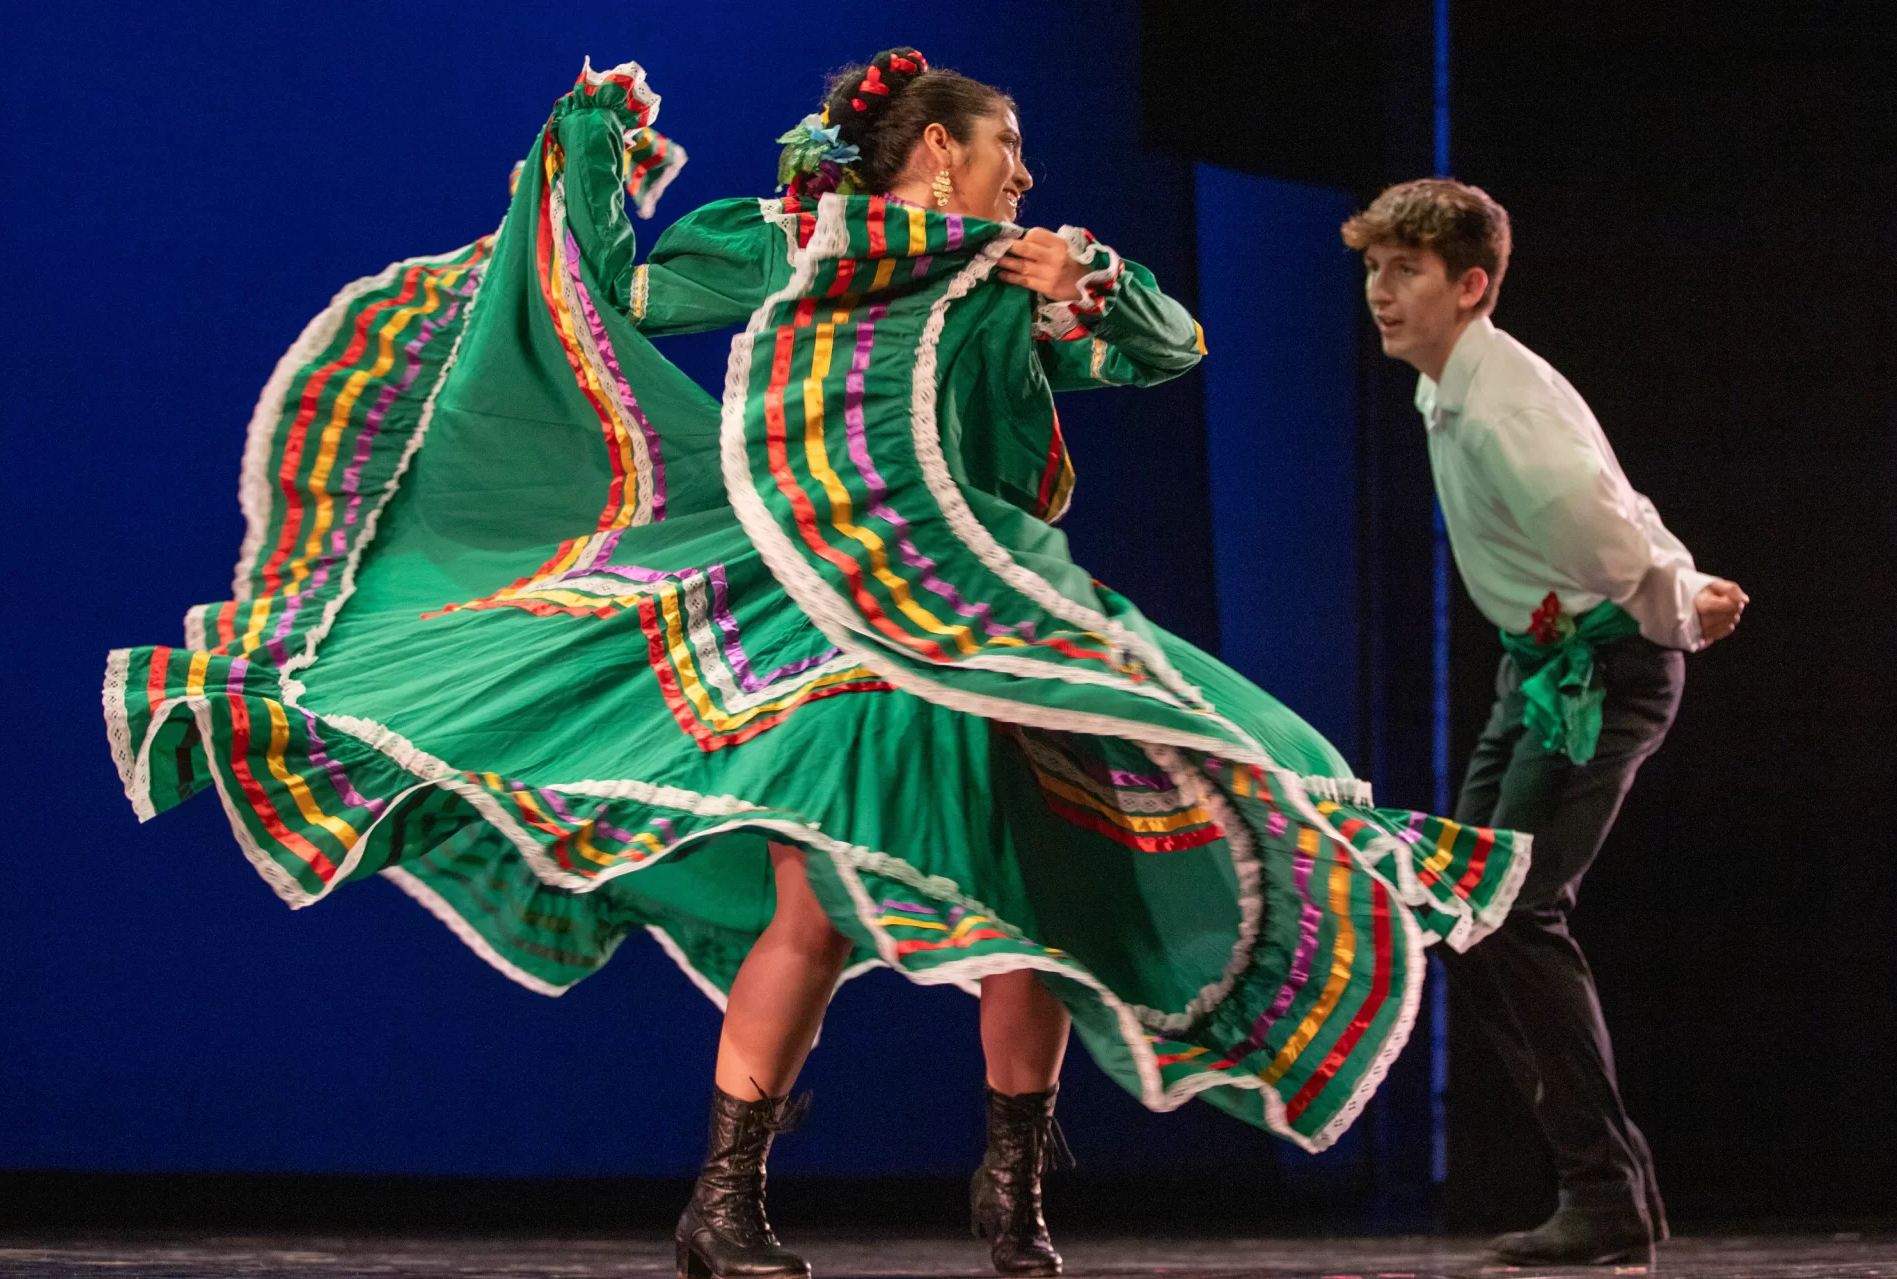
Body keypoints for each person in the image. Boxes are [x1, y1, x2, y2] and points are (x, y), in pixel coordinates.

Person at [104, 53, 1527, 1279]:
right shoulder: (796, 242)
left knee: (1025, 884)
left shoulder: (1008, 277)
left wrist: (1085, 278)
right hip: (830, 613)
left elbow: (1166, 346)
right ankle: (724, 1198)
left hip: (990, 617)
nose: (1024, 174)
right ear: (933, 150)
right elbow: (619, 296)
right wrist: (591, 162)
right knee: (812, 894)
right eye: (1006, 149)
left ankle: (1011, 1191)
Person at [1343, 179, 1748, 1267]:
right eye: (1373, 269)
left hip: (1600, 669)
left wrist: (1680, 596)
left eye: (1405, 272)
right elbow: (1612, 498)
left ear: (1469, 285)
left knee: (1512, 908)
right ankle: (1605, 1179)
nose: (1380, 292)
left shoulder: (1499, 404)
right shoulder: (1453, 383)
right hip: (1541, 667)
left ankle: (1601, 1189)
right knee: (1458, 907)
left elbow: (1605, 529)